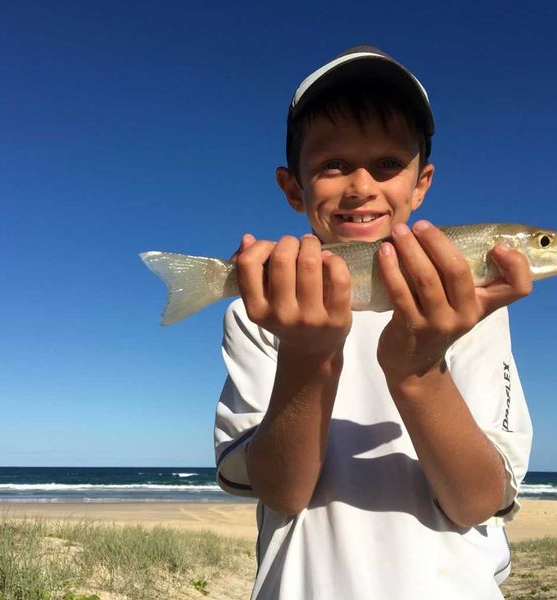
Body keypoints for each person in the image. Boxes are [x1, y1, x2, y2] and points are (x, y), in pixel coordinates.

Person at [214, 46, 533, 599]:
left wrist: (418, 373)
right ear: (294, 188)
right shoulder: (260, 310)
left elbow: (477, 500)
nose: (361, 186)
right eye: (332, 164)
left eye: (387, 164)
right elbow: (282, 492)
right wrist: (307, 357)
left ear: (421, 182)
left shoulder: (469, 307)